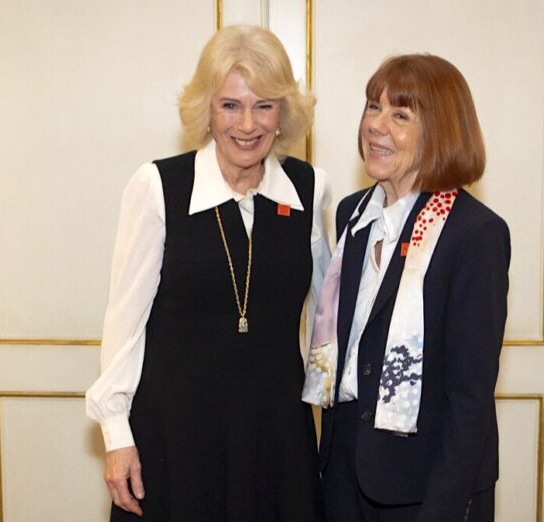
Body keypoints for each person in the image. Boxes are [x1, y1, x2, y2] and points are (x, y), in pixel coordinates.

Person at [85, 25, 328, 522]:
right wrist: (116, 437)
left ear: (283, 113)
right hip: (176, 438)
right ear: (207, 110)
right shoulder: (158, 187)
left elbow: (326, 320)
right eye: (230, 105)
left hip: (276, 439)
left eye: (264, 105)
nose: (247, 124)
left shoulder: (310, 189)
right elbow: (123, 324)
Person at [302, 54, 510, 522]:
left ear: (440, 130)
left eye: (400, 115)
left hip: (428, 484)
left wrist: (443, 508)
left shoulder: (474, 235)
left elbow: (470, 397)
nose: (376, 126)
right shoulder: (353, 214)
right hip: (345, 473)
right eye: (372, 107)